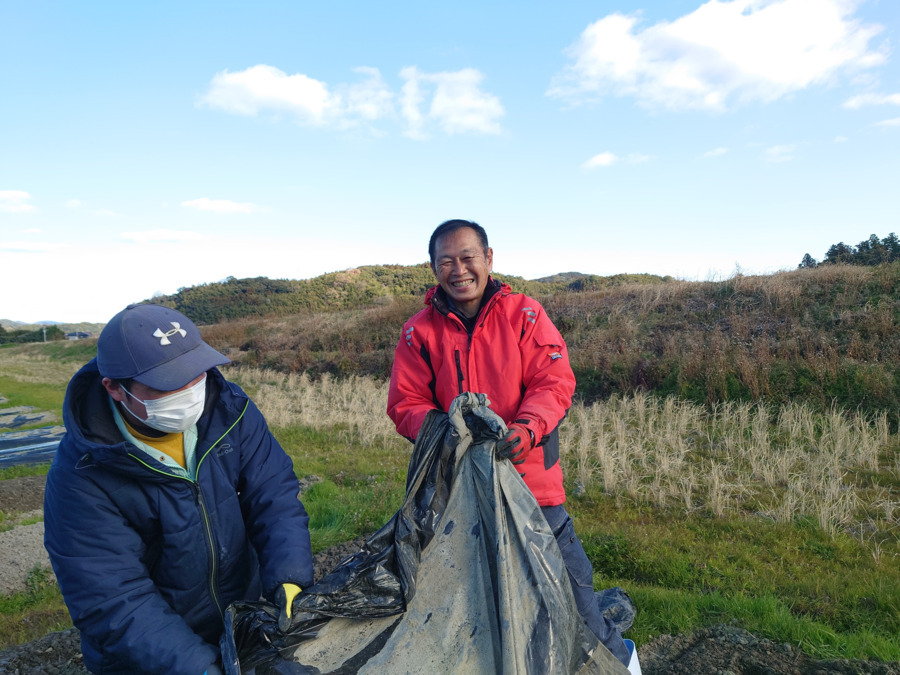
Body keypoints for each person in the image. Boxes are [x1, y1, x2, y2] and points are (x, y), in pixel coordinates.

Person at [387, 219, 631, 666]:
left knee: (577, 601)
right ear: (434, 268)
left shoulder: (525, 314)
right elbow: (406, 403)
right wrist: (448, 429)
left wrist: (526, 429)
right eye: (446, 261)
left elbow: (553, 381)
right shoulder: (418, 332)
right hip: (460, 497)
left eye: (468, 257)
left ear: (488, 258)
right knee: (479, 610)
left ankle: (623, 662)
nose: (459, 270)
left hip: (533, 489)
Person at [44, 303, 314, 675]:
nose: (189, 392)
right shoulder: (81, 477)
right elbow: (115, 599)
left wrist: (289, 574)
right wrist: (200, 667)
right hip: (151, 659)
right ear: (115, 388)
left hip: (240, 626)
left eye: (195, 373)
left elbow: (274, 495)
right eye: (168, 383)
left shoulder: (230, 411)